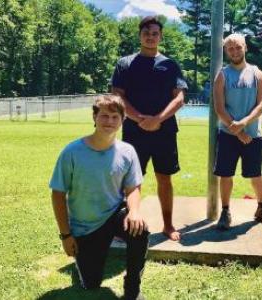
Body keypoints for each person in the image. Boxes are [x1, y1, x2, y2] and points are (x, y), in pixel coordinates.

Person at [50, 95, 148, 300]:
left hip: (114, 215)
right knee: (91, 284)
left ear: (123, 120)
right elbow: (58, 194)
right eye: (104, 116)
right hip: (85, 227)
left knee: (140, 229)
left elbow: (133, 188)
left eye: (115, 116)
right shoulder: (72, 152)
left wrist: (135, 211)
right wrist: (66, 236)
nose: (109, 122)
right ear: (94, 117)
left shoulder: (127, 151)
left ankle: (132, 287)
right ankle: (88, 258)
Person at [111, 16, 187, 241]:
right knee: (132, 180)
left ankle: (168, 225)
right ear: (140, 35)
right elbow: (118, 95)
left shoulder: (170, 65)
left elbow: (180, 97)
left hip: (164, 132)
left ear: (160, 37)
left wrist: (158, 119)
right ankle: (125, 227)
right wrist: (139, 119)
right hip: (134, 132)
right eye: (147, 33)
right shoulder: (125, 64)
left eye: (155, 33)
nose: (151, 36)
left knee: (165, 178)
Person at [212, 33, 262, 230]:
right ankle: (225, 211)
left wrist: (245, 123)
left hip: (254, 135)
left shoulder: (257, 74)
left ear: (245, 48)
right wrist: (238, 131)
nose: (234, 51)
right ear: (226, 51)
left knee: (255, 174)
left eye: (238, 47)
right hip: (228, 136)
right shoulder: (222, 76)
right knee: (225, 174)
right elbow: (220, 109)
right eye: (230, 48)